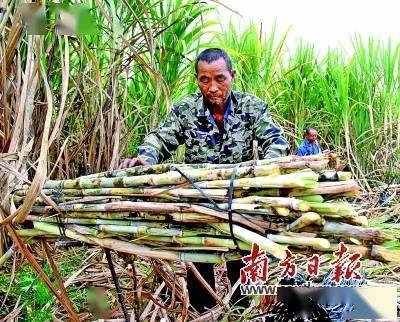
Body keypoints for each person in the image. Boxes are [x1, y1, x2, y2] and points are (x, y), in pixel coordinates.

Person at [119, 48, 290, 313]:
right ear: (197, 79)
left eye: (220, 79)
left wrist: (265, 169)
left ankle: (241, 312)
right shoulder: (185, 110)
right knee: (199, 262)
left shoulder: (251, 106)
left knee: (242, 260)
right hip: (199, 200)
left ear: (232, 76)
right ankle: (202, 313)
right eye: (204, 80)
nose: (212, 88)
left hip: (240, 200)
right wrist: (145, 158)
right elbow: (160, 139)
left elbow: (276, 141)